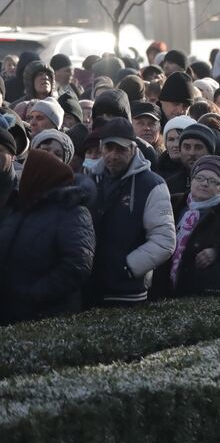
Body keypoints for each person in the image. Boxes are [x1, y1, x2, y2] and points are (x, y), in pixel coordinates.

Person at [85, 118, 175, 306]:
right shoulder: (90, 180)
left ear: (134, 149)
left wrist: (127, 268)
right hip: (89, 288)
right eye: (109, 148)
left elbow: (164, 240)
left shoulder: (152, 185)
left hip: (128, 292)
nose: (113, 155)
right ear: (101, 148)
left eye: (121, 149)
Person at [0, 148, 94, 323]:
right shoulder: (20, 207)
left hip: (45, 315)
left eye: (27, 169)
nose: (21, 175)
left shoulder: (73, 212)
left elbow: (77, 266)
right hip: (11, 310)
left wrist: (33, 294)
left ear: (38, 175)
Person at [157, 155, 220, 296]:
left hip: (202, 293)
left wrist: (218, 252)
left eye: (212, 181)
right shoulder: (173, 204)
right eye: (199, 178)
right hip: (162, 290)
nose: (204, 184)